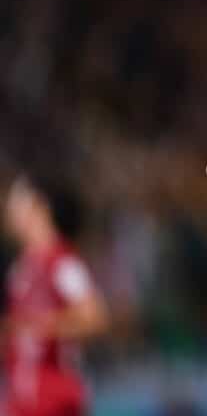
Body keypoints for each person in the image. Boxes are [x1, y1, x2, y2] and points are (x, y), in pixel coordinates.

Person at [2, 173, 108, 416]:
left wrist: (39, 326)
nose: (10, 207)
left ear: (40, 206)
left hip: (55, 399)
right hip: (21, 399)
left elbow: (94, 316)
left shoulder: (63, 262)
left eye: (18, 198)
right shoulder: (21, 268)